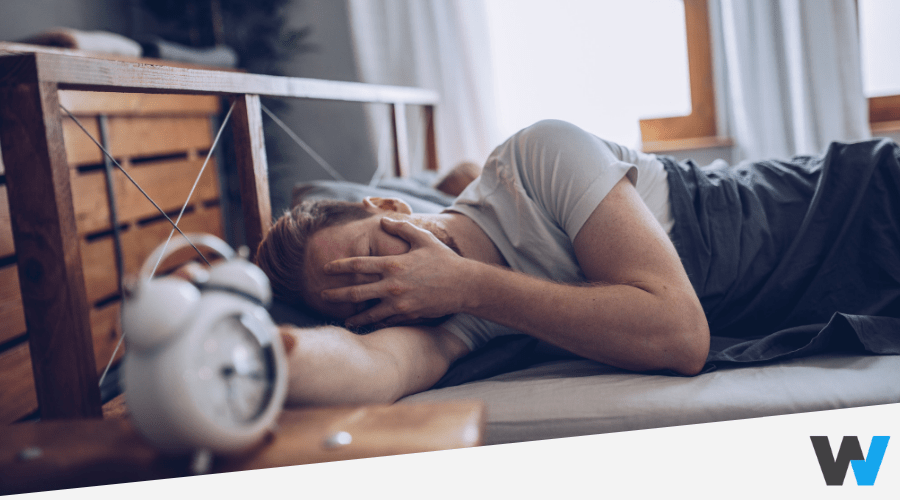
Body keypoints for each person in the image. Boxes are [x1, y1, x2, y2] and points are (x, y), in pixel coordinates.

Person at [255, 120, 900, 407]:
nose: (387, 281)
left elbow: (678, 332)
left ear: (392, 203)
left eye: (372, 254)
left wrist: (472, 284)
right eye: (361, 300)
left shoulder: (536, 158)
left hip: (855, 203)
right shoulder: (439, 314)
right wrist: (260, 350)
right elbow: (369, 368)